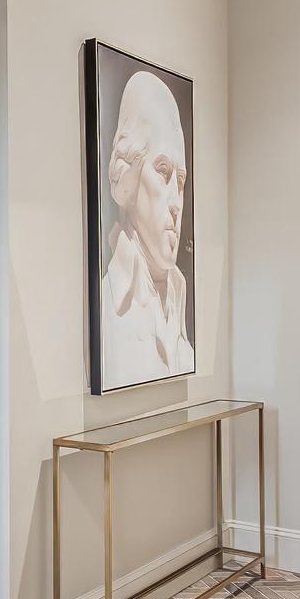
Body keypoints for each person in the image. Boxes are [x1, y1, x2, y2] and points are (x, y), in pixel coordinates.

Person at [98, 69, 192, 389]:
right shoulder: (108, 310)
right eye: (163, 172)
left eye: (181, 181)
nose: (176, 202)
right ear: (130, 174)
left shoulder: (178, 300)